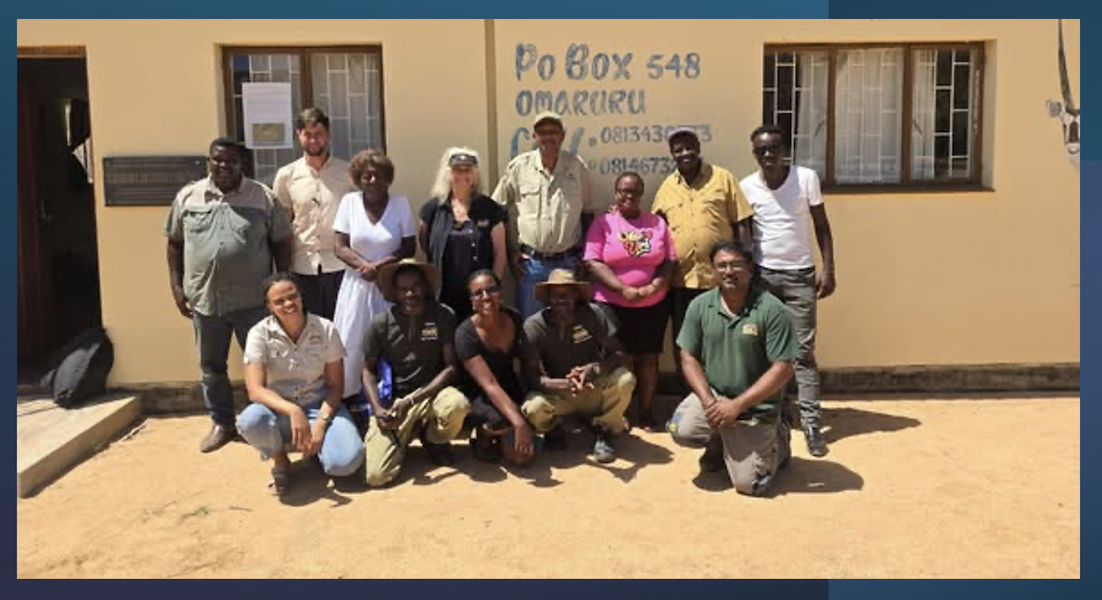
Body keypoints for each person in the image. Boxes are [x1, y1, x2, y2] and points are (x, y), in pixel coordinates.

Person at [164, 137, 293, 453]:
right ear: (208, 162)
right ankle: (222, 423)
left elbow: (281, 242)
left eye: (231, 161)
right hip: (206, 300)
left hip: (254, 302)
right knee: (211, 367)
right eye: (217, 160)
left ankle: (268, 423)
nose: (223, 166)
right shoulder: (188, 197)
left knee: (264, 364)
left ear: (241, 164)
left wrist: (280, 288)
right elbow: (174, 243)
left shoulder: (262, 197)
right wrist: (177, 286)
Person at [668, 242, 798, 496]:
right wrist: (709, 402)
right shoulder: (700, 306)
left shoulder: (772, 309)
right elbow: (687, 356)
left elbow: (783, 368)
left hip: (756, 407)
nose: (729, 271)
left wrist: (737, 405)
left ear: (750, 268)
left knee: (750, 486)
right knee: (682, 430)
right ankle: (720, 444)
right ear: (713, 270)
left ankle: (779, 438)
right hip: (716, 397)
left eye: (736, 264)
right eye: (722, 266)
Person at [740, 124, 836, 457]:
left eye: (774, 148)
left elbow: (822, 226)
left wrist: (829, 269)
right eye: (761, 150)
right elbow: (745, 234)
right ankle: (775, 415)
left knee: (802, 352)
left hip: (800, 278)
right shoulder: (747, 186)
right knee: (766, 352)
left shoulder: (806, 178)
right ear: (754, 153)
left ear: (785, 149)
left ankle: (811, 423)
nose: (768, 154)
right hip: (763, 278)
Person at [236, 273, 364, 495]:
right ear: (269, 306)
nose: (288, 304)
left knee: (345, 464)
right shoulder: (259, 334)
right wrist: (293, 410)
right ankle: (280, 459)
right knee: (250, 420)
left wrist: (321, 424)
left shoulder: (325, 328)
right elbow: (255, 390)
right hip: (280, 410)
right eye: (279, 301)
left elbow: (335, 386)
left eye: (292, 296)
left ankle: (315, 451)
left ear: (301, 296)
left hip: (319, 406)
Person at [360, 259, 470, 487]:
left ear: (426, 287)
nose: (410, 294)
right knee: (376, 476)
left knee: (457, 404)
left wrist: (413, 400)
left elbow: (451, 368)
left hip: (431, 394)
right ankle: (406, 434)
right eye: (403, 289)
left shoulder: (443, 316)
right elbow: (367, 370)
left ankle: (433, 439)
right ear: (394, 292)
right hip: (395, 402)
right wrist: (378, 409)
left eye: (415, 287)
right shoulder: (380, 324)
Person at [583, 172, 675, 431]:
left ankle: (645, 412)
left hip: (652, 304)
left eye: (634, 191)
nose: (629, 196)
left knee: (648, 360)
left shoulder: (656, 223)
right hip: (611, 304)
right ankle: (618, 412)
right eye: (624, 191)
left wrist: (655, 286)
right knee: (617, 359)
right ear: (616, 194)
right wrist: (622, 288)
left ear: (641, 194)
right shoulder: (603, 223)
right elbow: (592, 261)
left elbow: (669, 260)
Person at [652, 127, 754, 359]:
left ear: (698, 149)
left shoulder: (722, 178)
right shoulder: (667, 187)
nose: (685, 153)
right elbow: (656, 229)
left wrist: (746, 265)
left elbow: (742, 223)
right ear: (672, 154)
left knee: (721, 337)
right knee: (686, 341)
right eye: (678, 150)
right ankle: (688, 382)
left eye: (689, 147)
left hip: (719, 279)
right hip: (681, 280)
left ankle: (720, 381)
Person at [520, 269, 636, 463]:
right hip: (559, 392)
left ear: (576, 295)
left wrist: (594, 369)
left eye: (567, 294)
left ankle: (604, 430)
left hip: (593, 386)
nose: (561, 300)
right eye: (555, 295)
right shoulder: (534, 326)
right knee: (534, 407)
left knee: (625, 380)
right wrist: (567, 384)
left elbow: (619, 354)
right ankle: (553, 428)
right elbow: (531, 377)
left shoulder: (594, 314)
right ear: (547, 298)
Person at [491, 111, 596, 318]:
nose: (548, 136)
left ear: (562, 135)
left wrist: (585, 256)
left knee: (568, 323)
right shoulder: (519, 167)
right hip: (530, 265)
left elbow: (587, 213)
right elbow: (497, 210)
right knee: (531, 326)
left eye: (553, 132)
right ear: (534, 136)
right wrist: (511, 253)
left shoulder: (577, 167)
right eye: (542, 132)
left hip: (567, 262)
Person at [332, 150, 416, 407]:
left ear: (388, 178)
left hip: (390, 285)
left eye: (379, 175)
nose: (373, 180)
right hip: (357, 285)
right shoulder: (349, 202)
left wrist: (378, 268)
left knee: (392, 341)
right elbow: (339, 246)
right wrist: (364, 267)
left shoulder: (400, 203)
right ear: (358, 178)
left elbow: (409, 246)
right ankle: (351, 400)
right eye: (367, 176)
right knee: (352, 342)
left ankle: (390, 398)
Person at [272, 108, 355, 320]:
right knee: (309, 328)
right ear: (298, 135)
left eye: (318, 134)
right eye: (307, 134)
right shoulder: (286, 175)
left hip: (340, 265)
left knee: (341, 327)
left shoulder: (347, 173)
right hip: (302, 265)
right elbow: (282, 223)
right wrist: (282, 270)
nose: (313, 140)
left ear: (328, 135)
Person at [454, 270, 534, 466]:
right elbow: (489, 385)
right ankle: (483, 433)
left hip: (508, 386)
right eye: (478, 293)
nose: (486, 297)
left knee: (521, 459)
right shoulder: (465, 334)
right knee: (504, 421)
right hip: (479, 393)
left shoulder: (514, 317)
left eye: (491, 290)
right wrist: (519, 423)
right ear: (472, 301)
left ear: (501, 293)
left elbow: (525, 361)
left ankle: (504, 435)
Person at [419, 147, 507, 321]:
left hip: (479, 296)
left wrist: (492, 290)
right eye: (457, 169)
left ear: (475, 174)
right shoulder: (433, 209)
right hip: (443, 294)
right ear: (448, 173)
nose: (462, 174)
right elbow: (425, 244)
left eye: (468, 169)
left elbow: (500, 254)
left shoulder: (490, 209)